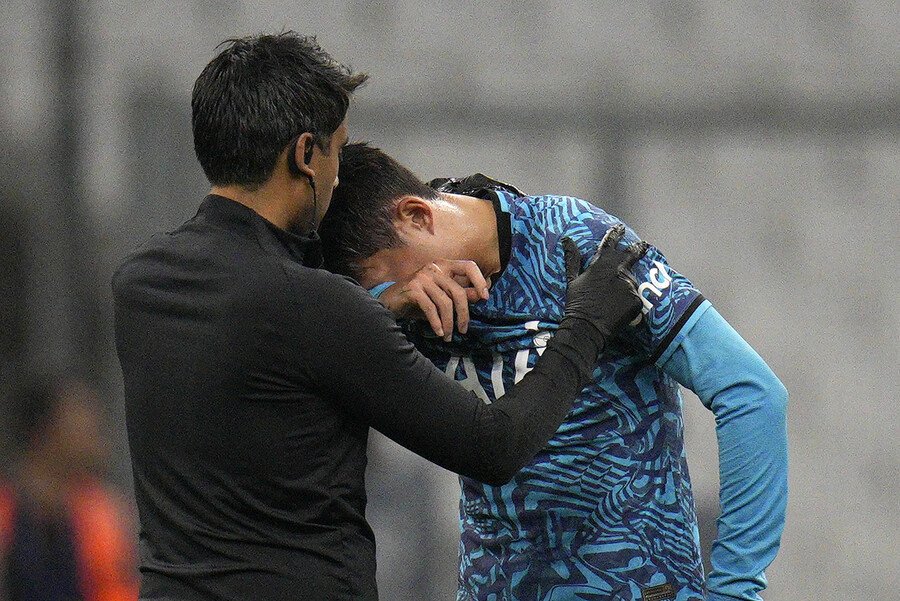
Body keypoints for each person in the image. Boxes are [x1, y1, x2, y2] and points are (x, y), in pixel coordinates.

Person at [111, 32, 649, 601]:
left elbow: (259, 365)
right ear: (304, 155)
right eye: (338, 152)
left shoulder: (140, 286)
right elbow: (494, 446)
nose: (339, 177)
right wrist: (588, 318)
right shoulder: (316, 308)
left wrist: (382, 308)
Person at [317, 142, 790, 601]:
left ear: (417, 216)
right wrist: (382, 303)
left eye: (380, 281)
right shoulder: (391, 312)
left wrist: (735, 589)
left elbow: (750, 393)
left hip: (638, 584)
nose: (406, 298)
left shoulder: (575, 241)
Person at [0, 375, 139, 601]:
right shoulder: (6, 512)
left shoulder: (101, 511)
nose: (93, 428)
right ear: (45, 430)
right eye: (80, 416)